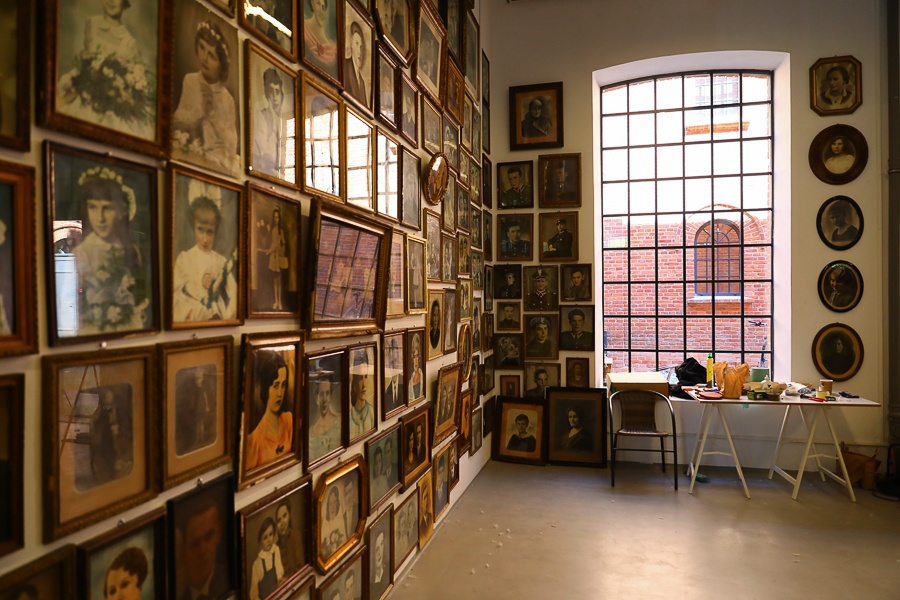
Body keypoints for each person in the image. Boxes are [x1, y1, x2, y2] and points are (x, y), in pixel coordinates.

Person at [57, 0, 152, 137]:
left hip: (110, 109)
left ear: (124, 2)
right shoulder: (91, 24)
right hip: (84, 98)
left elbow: (134, 91)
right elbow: (85, 63)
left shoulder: (129, 44)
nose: (111, 1)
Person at [72, 167, 149, 334]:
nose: (100, 218)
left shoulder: (132, 251)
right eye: (93, 207)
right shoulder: (80, 254)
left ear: (121, 210)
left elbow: (140, 297)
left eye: (107, 208)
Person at [172, 20, 239, 174]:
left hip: (217, 163)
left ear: (221, 65)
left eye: (212, 56)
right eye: (202, 48)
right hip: (191, 153)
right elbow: (177, 120)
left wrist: (213, 115)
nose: (205, 58)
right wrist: (200, 111)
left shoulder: (227, 98)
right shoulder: (190, 80)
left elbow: (232, 144)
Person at [172, 193, 238, 322]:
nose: (205, 239)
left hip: (215, 315)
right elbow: (174, 293)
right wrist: (190, 310)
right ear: (194, 228)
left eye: (209, 232)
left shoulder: (220, 261)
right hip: (193, 314)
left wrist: (228, 314)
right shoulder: (185, 258)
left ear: (215, 231)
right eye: (200, 230)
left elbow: (235, 292)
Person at [245, 350, 292, 471]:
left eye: (283, 385)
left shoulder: (288, 420)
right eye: (275, 386)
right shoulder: (255, 440)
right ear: (266, 388)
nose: (280, 393)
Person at [177, 497, 228, 600]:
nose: (202, 550)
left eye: (209, 536)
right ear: (183, 551)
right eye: (195, 544)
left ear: (218, 533)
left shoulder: (230, 579)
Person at [89, 387, 133, 485]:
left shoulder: (107, 406)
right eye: (107, 397)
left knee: (110, 452)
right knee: (105, 453)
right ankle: (107, 473)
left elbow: (110, 412)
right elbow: (97, 417)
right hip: (103, 433)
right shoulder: (102, 407)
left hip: (107, 432)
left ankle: (110, 473)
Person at [253, 69, 288, 180]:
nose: (274, 97)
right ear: (266, 94)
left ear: (281, 95)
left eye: (277, 92)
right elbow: (258, 155)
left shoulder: (285, 123)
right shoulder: (261, 117)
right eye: (271, 92)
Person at [174, 364, 217, 456]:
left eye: (199, 379)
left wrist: (207, 407)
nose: (198, 381)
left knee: (201, 423)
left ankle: (201, 437)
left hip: (202, 408)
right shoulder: (194, 389)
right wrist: (192, 406)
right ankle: (197, 438)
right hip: (197, 409)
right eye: (197, 379)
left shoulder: (204, 388)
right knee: (197, 424)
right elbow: (193, 400)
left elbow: (205, 398)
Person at [249, 517, 284, 600]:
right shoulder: (257, 564)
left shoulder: (276, 550)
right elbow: (253, 595)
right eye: (265, 537)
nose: (269, 540)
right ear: (260, 542)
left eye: (271, 535)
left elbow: (280, 576)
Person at [309, 374, 340, 460]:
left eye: (327, 393)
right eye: (321, 394)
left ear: (330, 396)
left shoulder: (340, 423)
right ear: (316, 398)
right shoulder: (311, 435)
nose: (325, 400)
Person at [303, 0, 338, 75]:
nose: (321, 11)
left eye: (323, 7)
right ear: (312, 4)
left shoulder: (332, 48)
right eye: (318, 3)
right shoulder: (303, 28)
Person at [264, 208, 288, 310]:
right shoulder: (272, 230)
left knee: (279, 280)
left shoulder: (280, 231)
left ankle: (280, 301)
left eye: (277, 217)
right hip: (273, 257)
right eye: (274, 217)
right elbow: (273, 244)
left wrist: (282, 248)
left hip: (279, 256)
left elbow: (283, 242)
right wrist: (269, 251)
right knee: (275, 280)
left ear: (279, 218)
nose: (276, 219)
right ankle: (276, 301)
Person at [343, 21, 369, 108]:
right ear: (351, 43)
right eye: (356, 43)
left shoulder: (362, 83)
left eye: (361, 47)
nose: (359, 51)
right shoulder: (345, 67)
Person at [275, 500, 305, 576]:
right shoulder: (276, 547)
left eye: (284, 516)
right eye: (278, 520)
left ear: (289, 516)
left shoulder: (296, 536)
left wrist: (287, 579)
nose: (282, 523)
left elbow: (300, 567)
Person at [320, 486, 347, 557]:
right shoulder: (324, 525)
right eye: (330, 503)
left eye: (334, 502)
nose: (332, 506)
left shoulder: (340, 521)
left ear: (337, 503)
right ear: (327, 506)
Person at [348, 369, 374, 439]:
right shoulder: (349, 417)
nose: (364, 385)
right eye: (360, 379)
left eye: (365, 377)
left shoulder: (372, 412)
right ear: (354, 386)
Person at [383, 338, 404, 412]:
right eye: (391, 362)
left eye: (396, 361)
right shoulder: (386, 392)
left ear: (399, 361)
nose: (394, 366)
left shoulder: (405, 383)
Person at [408, 333, 425, 401]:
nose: (415, 360)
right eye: (414, 357)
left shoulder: (422, 375)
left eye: (417, 356)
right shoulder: (410, 382)